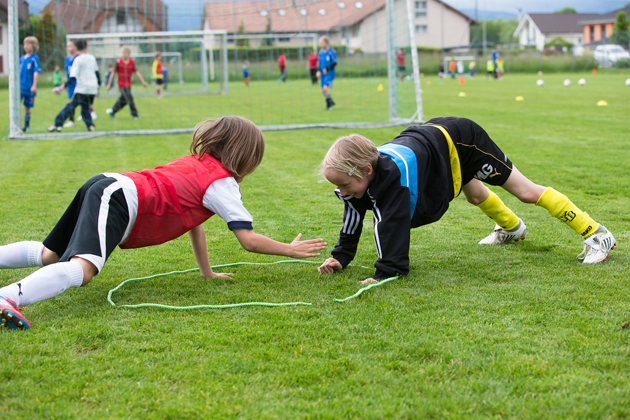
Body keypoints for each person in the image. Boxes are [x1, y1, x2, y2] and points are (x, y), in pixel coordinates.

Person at [0, 116, 327, 330]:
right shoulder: (221, 183)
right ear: (247, 156)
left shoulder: (198, 162)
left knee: (49, 255)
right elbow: (248, 240)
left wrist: (207, 272)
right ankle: (8, 297)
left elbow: (193, 224)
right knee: (83, 270)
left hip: (106, 185)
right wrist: (290, 250)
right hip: (119, 198)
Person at [317, 117, 616, 284]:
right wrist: (341, 257)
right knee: (473, 194)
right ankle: (512, 228)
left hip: (462, 141)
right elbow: (354, 213)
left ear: (368, 170)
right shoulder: (361, 177)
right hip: (438, 153)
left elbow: (391, 224)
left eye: (344, 185)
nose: (342, 192)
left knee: (526, 192)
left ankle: (596, 233)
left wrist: (385, 273)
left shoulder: (390, 176)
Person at [47, 39, 99, 132]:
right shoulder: (92, 58)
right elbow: (97, 73)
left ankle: (58, 124)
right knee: (85, 107)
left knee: (70, 106)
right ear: (86, 47)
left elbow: (73, 77)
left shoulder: (77, 59)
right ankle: (90, 126)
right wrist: (99, 85)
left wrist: (63, 86)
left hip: (83, 88)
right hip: (93, 88)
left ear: (76, 48)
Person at [106, 46, 148, 120]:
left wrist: (143, 82)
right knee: (130, 99)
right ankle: (135, 115)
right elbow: (113, 73)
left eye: (125, 53)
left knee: (124, 100)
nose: (123, 54)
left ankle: (112, 111)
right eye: (122, 53)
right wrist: (109, 84)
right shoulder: (118, 62)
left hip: (128, 85)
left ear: (129, 54)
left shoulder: (132, 62)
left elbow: (137, 72)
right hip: (121, 85)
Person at [19, 36, 41, 133]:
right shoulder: (21, 58)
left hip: (29, 88)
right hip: (20, 87)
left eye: (28, 44)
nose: (26, 46)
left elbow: (36, 72)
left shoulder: (34, 58)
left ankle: (26, 127)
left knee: (27, 108)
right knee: (15, 106)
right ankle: (14, 126)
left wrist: (34, 85)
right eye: (25, 44)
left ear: (34, 46)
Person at [317, 36, 337, 111]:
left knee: (325, 88)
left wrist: (327, 69)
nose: (320, 44)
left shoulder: (331, 52)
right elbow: (319, 63)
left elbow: (335, 63)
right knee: (323, 90)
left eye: (322, 43)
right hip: (322, 74)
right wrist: (318, 71)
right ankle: (331, 101)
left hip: (329, 74)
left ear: (326, 43)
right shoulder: (320, 52)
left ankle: (329, 106)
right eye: (320, 43)